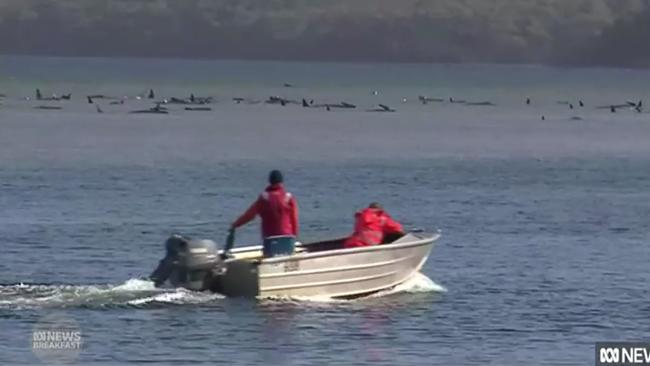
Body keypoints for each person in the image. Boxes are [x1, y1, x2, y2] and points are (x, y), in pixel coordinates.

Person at [230, 170, 299, 257]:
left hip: (270, 242)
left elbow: (249, 215)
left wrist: (236, 224)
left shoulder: (264, 198)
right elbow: (294, 219)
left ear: (269, 182)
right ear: (281, 182)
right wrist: (294, 237)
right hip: (287, 240)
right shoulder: (288, 197)